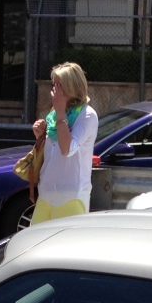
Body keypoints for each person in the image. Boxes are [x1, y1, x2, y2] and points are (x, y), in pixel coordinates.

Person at [30, 61, 99, 224]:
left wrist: (61, 112)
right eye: (54, 85)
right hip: (46, 194)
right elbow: (53, 150)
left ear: (72, 87)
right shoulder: (56, 114)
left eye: (60, 86)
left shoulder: (87, 115)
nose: (55, 91)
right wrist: (40, 135)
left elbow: (67, 149)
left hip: (70, 197)